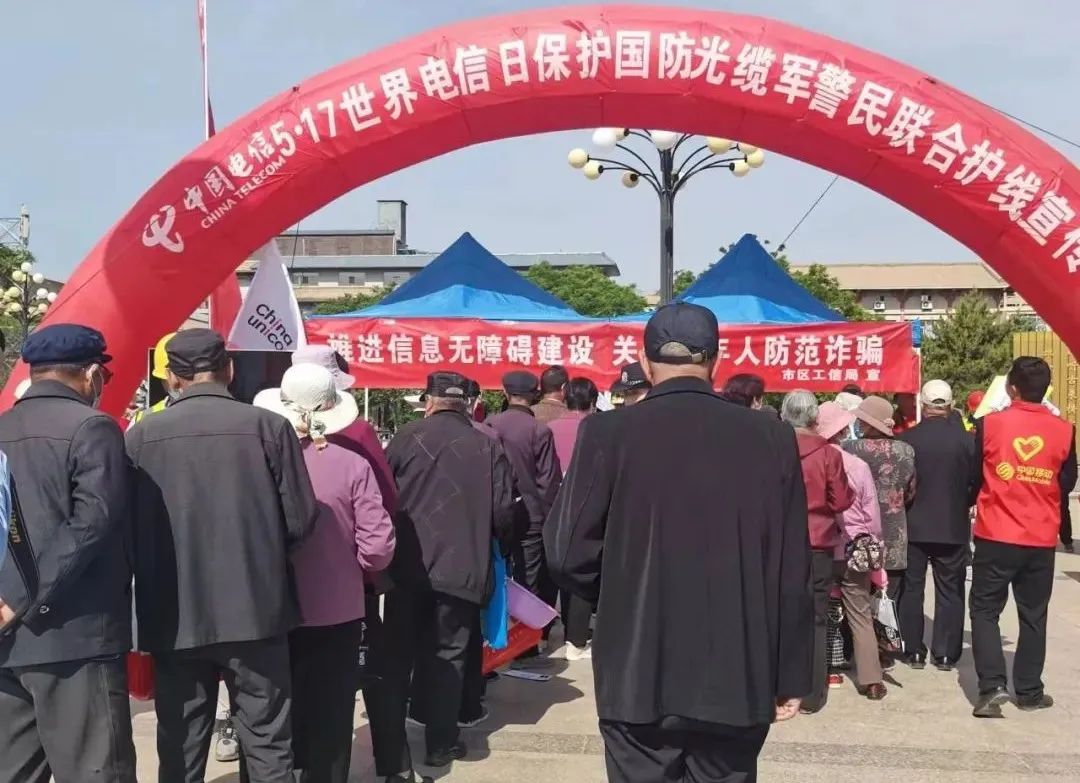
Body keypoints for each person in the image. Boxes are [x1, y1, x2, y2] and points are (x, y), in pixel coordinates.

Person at [546, 303, 813, 783]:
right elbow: (793, 567)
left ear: (645, 362)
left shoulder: (609, 432)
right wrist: (791, 671)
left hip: (637, 669)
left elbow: (565, 552)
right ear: (716, 361)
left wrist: (621, 589)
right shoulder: (771, 436)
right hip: (738, 672)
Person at [126, 329, 319, 783]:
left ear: (172, 378)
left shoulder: (141, 436)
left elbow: (127, 530)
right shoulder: (270, 427)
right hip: (256, 609)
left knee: (180, 742)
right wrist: (261, 556)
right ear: (229, 370)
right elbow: (301, 518)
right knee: (268, 741)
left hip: (174, 614)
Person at [0, 324, 137, 783]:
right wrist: (26, 598)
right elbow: (92, 521)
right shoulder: (91, 427)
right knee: (97, 770)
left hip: (7, 639)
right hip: (74, 635)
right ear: (92, 373)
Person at [253, 364, 396, 783]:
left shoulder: (256, 460)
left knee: (267, 714)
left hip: (267, 608)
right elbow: (378, 548)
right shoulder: (352, 464)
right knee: (331, 713)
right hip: (336, 609)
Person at [382, 372, 516, 770]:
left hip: (405, 567)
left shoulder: (404, 438)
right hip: (462, 567)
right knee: (450, 655)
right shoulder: (487, 445)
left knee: (398, 655)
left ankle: (390, 750)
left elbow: (381, 497)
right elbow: (504, 512)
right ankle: (440, 744)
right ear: (468, 404)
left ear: (429, 401)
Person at [969, 357, 1078, 718]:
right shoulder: (1065, 431)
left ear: (1011, 388)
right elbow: (1066, 483)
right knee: (1033, 616)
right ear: (1044, 389)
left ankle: (992, 688)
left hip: (996, 533)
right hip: (1040, 537)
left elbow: (973, 478)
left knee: (985, 610)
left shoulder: (989, 425)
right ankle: (1029, 692)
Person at [781, 390, 855, 713]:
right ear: (815, 418)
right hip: (818, 543)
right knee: (816, 618)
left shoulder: (774, 449)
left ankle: (779, 688)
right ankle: (811, 694)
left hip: (781, 542)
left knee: (779, 613)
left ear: (784, 416)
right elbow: (841, 500)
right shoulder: (828, 454)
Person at [897, 380, 977, 671]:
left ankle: (913, 650)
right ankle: (945, 653)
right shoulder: (968, 441)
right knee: (951, 590)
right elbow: (975, 483)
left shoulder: (907, 440)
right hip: (952, 524)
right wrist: (963, 503)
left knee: (911, 588)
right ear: (951, 405)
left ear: (923, 405)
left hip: (914, 524)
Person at [815, 402, 886, 700]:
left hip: (819, 546)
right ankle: (872, 680)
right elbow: (872, 515)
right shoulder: (858, 466)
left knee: (819, 614)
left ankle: (820, 671)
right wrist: (876, 544)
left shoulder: (811, 462)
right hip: (855, 549)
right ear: (843, 431)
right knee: (859, 614)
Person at [486, 371, 562, 610]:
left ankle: (496, 627)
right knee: (528, 580)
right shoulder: (540, 431)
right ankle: (525, 629)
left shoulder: (488, 426)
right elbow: (548, 483)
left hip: (492, 515)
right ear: (534, 395)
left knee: (494, 574)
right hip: (531, 517)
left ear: (505, 393)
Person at [546, 377, 599, 660]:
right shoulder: (597, 429)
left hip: (554, 507)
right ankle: (576, 636)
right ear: (593, 401)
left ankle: (544, 631)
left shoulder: (550, 429)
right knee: (582, 572)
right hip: (589, 509)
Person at [845, 396, 917, 603]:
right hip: (894, 533)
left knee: (858, 603)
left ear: (870, 423)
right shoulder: (905, 450)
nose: (858, 423)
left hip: (858, 534)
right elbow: (910, 491)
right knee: (888, 602)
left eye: (861, 420)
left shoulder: (850, 448)